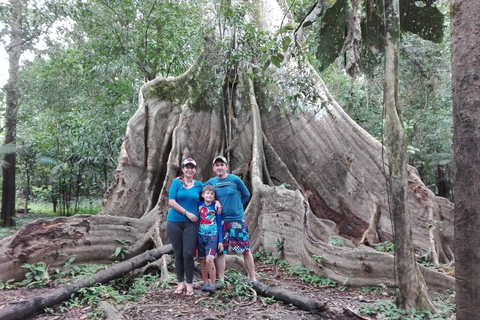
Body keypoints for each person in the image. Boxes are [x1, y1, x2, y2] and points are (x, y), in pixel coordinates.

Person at [204, 156, 257, 287]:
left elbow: (246, 194)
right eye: (217, 165)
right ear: (214, 168)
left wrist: (238, 207)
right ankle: (221, 280)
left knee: (245, 249)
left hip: (237, 221)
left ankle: (253, 278)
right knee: (221, 251)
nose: (219, 167)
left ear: (227, 167)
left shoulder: (235, 180)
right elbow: (201, 194)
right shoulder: (211, 183)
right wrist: (215, 201)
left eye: (222, 165)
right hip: (221, 222)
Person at [166, 158, 202, 296]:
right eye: (187, 167)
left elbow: (208, 195)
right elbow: (171, 201)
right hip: (174, 222)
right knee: (178, 254)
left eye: (192, 167)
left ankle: (189, 284)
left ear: (195, 170)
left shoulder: (199, 185)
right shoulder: (176, 183)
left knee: (188, 254)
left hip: (191, 224)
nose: (189, 170)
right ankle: (180, 283)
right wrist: (187, 213)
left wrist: (216, 201)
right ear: (183, 169)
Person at [197, 185, 223, 292]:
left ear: (214, 197)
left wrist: (220, 240)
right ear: (203, 195)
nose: (209, 195)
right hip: (200, 236)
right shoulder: (198, 205)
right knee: (202, 260)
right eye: (207, 193)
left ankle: (212, 284)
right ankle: (205, 283)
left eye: (212, 194)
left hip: (212, 237)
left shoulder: (216, 207)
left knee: (209, 260)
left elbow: (219, 224)